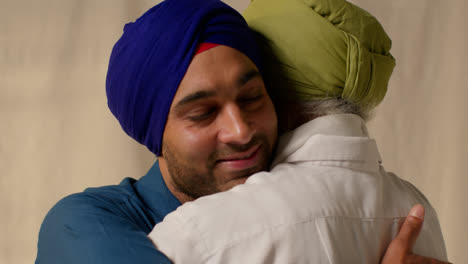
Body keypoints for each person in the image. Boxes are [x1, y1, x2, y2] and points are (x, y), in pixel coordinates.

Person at [35, 0, 449, 263]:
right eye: (202, 113)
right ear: (153, 132)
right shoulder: (83, 223)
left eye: (252, 97)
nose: (241, 130)